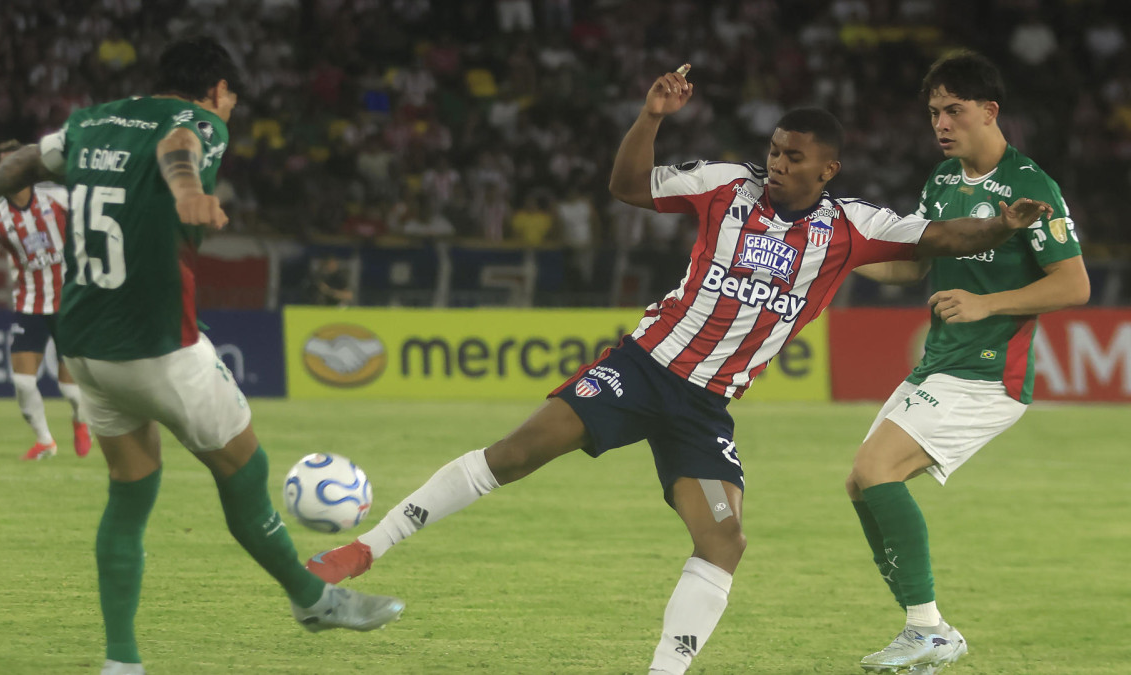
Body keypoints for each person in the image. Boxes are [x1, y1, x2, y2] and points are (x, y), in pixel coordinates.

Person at [303, 65, 1052, 674]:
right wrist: (652, 116)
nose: (777, 164)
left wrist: (1003, 225)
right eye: (775, 150)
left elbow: (946, 234)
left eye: (794, 157)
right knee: (513, 454)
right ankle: (360, 550)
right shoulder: (724, 186)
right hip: (642, 369)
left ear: (829, 168)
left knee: (723, 540)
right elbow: (629, 186)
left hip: (705, 410)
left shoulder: (852, 226)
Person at [0, 37, 404, 675]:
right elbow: (179, 146)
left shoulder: (93, 122)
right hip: (161, 346)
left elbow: (30, 157)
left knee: (129, 496)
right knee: (244, 474)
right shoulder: (198, 121)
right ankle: (313, 599)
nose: (229, 113)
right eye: (230, 101)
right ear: (216, 91)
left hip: (85, 347)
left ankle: (122, 662)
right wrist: (187, 190)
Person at [847, 50, 1089, 674]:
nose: (941, 123)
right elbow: (909, 266)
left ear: (990, 111)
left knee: (876, 470)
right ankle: (925, 629)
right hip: (939, 365)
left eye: (954, 110)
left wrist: (989, 304)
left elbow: (1073, 285)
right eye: (933, 112)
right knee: (861, 483)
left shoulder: (1031, 184)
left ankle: (929, 632)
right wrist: (836, 253)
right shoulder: (942, 183)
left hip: (990, 375)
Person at [0, 139, 91, 460]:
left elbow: (94, 222)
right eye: (2, 167)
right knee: (22, 383)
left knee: (70, 390)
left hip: (69, 303)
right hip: (29, 305)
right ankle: (45, 441)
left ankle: (80, 420)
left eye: (13, 164)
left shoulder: (58, 197)